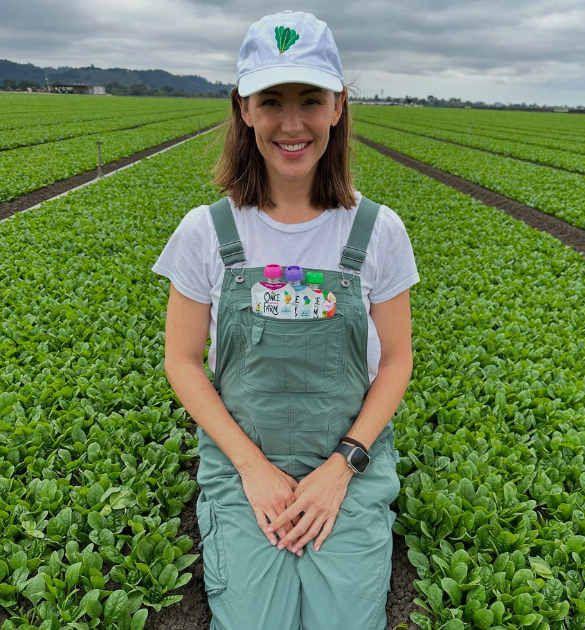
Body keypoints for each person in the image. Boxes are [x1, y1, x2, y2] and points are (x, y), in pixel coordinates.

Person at [152, 10, 418, 629]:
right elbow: (183, 360)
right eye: (272, 100)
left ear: (338, 106)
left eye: (310, 99)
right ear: (244, 109)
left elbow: (398, 358)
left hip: (346, 468)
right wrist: (253, 469)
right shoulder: (207, 231)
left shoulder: (377, 230)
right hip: (243, 465)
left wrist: (341, 467)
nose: (292, 123)